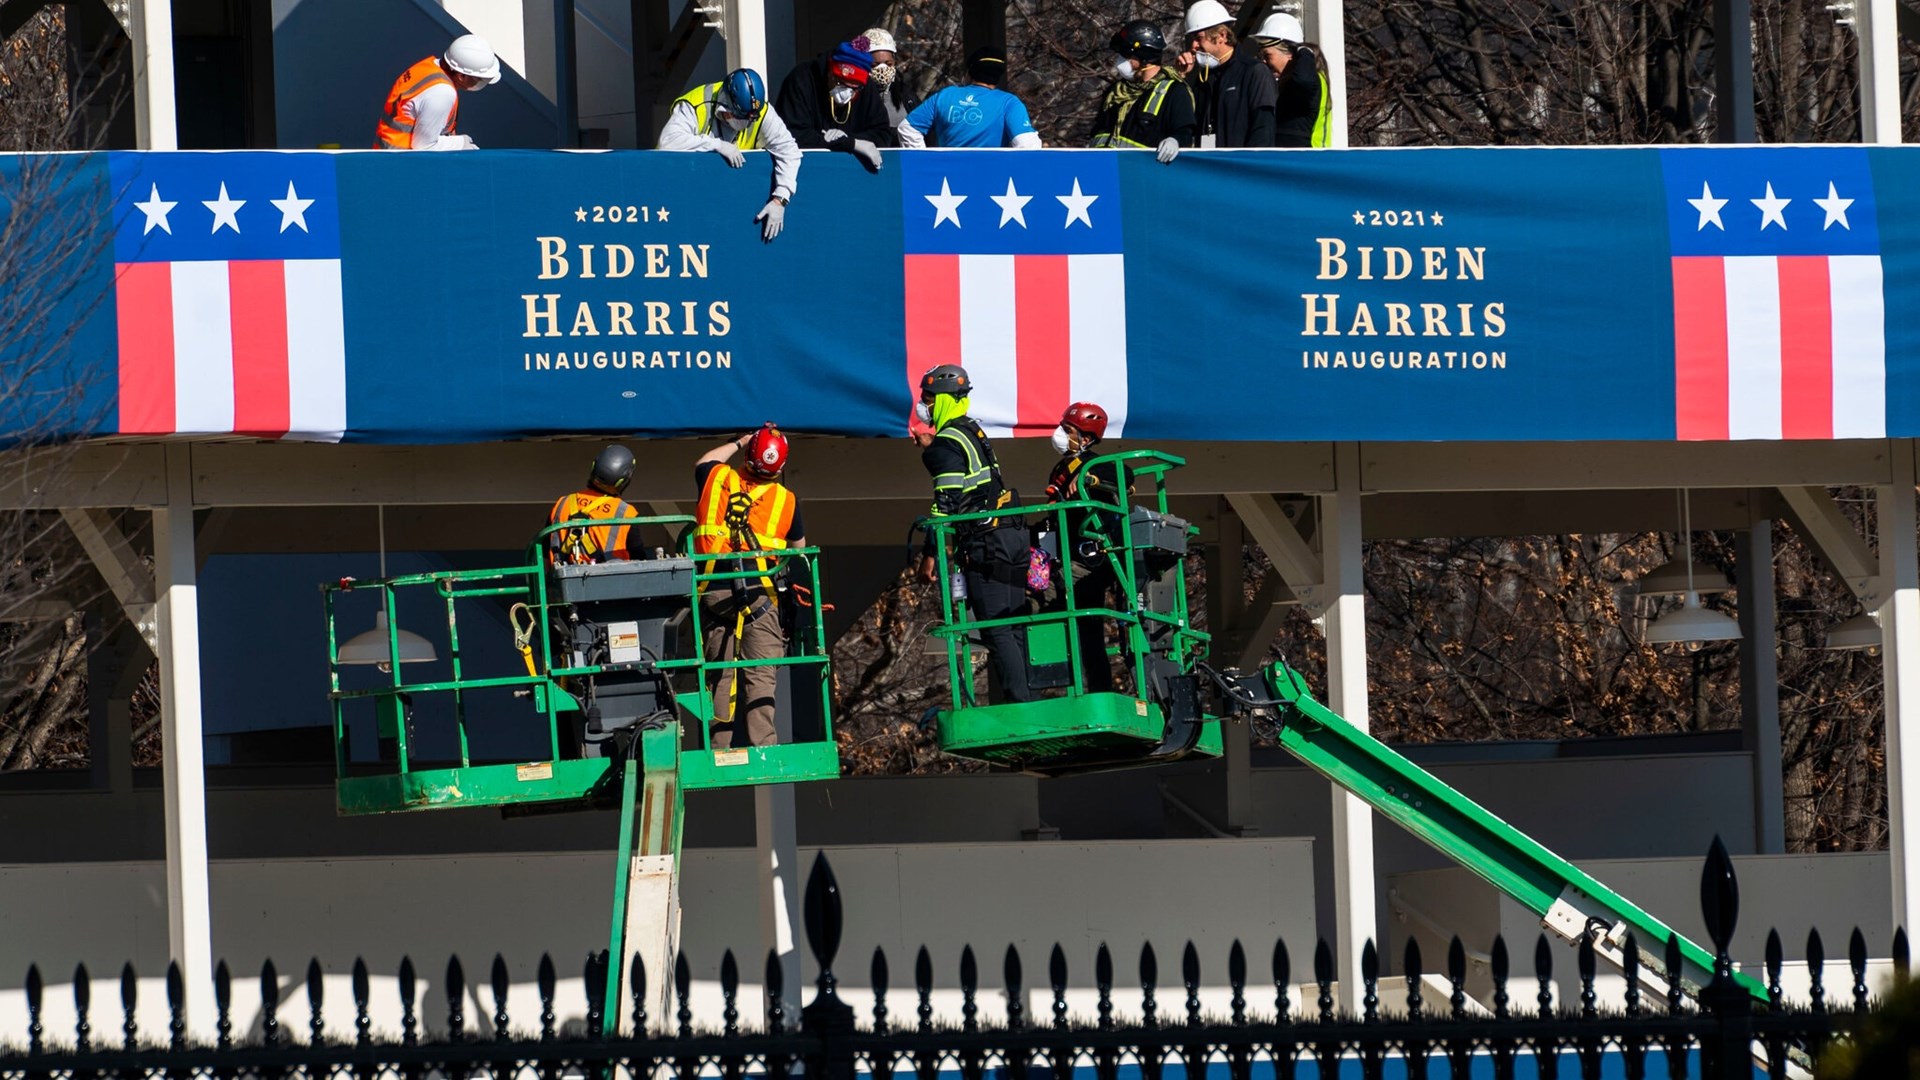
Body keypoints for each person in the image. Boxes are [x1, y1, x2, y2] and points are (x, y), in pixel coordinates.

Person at [914, 364, 1036, 704]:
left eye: (927, 398)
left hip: (987, 544)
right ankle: (1029, 696)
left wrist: (930, 554)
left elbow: (946, 502)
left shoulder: (945, 443)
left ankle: (1021, 705)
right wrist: (931, 447)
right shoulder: (969, 431)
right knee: (1014, 625)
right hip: (1011, 535)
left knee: (997, 628)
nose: (923, 405)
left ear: (941, 399)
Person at [693, 424, 806, 749]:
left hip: (713, 590)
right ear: (780, 468)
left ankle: (718, 749)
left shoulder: (718, 479)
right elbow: (799, 552)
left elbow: (705, 461)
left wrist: (740, 439)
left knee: (720, 675)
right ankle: (764, 746)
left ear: (748, 454)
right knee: (760, 674)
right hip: (759, 596)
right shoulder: (786, 500)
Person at [657, 69, 802, 242]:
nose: (747, 123)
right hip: (680, 198)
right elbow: (668, 141)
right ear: (725, 105)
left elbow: (789, 151)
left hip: (725, 206)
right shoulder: (697, 103)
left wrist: (780, 199)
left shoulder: (761, 112)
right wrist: (715, 145)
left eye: (751, 119)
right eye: (741, 117)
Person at [1043, 403, 1127, 693]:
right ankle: (1067, 687)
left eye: (1068, 431)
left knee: (1048, 604)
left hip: (1089, 560)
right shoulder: (1061, 467)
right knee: (1084, 629)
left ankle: (1087, 690)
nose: (1060, 435)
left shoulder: (1093, 463)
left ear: (1086, 438)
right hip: (1063, 554)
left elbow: (1124, 473)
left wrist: (1090, 477)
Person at [1089, 19, 1196, 163]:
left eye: (1126, 55)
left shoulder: (1174, 92)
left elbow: (1185, 132)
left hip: (1144, 176)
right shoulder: (1115, 93)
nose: (1120, 60)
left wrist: (1175, 140)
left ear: (1144, 56)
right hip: (1107, 172)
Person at [897, 46, 1043, 149]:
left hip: (946, 180)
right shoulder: (1009, 103)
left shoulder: (945, 95)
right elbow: (1026, 145)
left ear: (969, 72)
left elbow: (907, 128)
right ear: (999, 75)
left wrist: (923, 162)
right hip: (991, 182)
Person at [774, 40, 888, 172]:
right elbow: (791, 134)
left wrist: (851, 139)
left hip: (851, 172)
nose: (846, 92)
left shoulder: (866, 88)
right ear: (830, 72)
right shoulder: (801, 79)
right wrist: (847, 144)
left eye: (854, 88)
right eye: (841, 83)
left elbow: (882, 133)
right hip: (807, 170)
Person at [375, 34, 500, 150]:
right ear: (461, 76)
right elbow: (424, 146)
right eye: (479, 79)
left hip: (388, 155)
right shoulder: (441, 93)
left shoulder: (427, 68)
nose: (479, 83)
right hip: (400, 162)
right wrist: (461, 144)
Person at [1179, 0, 1275, 147]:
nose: (1194, 46)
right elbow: (1185, 122)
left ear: (1222, 36)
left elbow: (1263, 129)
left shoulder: (1253, 72)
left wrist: (1250, 165)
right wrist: (1180, 77)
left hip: (1237, 166)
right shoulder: (1203, 78)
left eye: (1199, 38)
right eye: (1192, 39)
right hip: (1208, 164)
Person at [547, 445, 640, 566]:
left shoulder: (563, 503)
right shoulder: (627, 513)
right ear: (623, 481)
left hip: (559, 580)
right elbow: (639, 560)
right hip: (612, 580)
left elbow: (544, 553)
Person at [1251, 12, 1331, 148]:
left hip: (1308, 161)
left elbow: (1303, 80)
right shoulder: (1284, 84)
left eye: (1268, 55)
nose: (1263, 61)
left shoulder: (1311, 80)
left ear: (1291, 55)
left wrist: (1304, 50)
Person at [857, 27, 921, 135]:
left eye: (888, 64)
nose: (882, 70)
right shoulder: (853, 96)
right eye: (874, 65)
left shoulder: (906, 96)